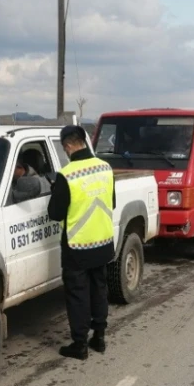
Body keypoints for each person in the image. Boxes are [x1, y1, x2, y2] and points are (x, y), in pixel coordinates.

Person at [47, 125, 116, 360]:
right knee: (99, 289)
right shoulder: (105, 168)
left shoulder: (67, 175)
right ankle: (99, 338)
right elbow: (111, 202)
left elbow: (55, 214)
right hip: (103, 242)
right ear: (84, 141)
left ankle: (79, 344)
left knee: (78, 295)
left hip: (77, 247)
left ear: (67, 146)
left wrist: (56, 192)